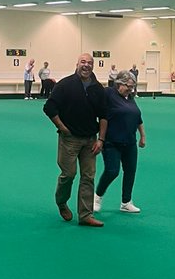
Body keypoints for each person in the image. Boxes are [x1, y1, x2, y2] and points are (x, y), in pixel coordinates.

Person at [43, 53, 108, 227]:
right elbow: (49, 107)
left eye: (90, 63)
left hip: (90, 140)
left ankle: (86, 215)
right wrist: (63, 128)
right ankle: (61, 202)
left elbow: (104, 115)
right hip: (69, 139)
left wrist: (101, 140)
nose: (86, 65)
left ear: (93, 66)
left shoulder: (98, 89)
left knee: (88, 177)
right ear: (77, 64)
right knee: (69, 175)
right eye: (83, 62)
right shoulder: (65, 85)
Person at [94, 71, 146, 215]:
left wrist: (142, 136)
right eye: (128, 86)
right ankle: (97, 198)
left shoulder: (130, 98)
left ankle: (126, 202)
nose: (131, 89)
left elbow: (138, 118)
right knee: (112, 171)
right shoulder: (108, 93)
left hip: (130, 143)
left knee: (130, 171)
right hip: (111, 142)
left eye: (132, 86)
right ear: (119, 83)